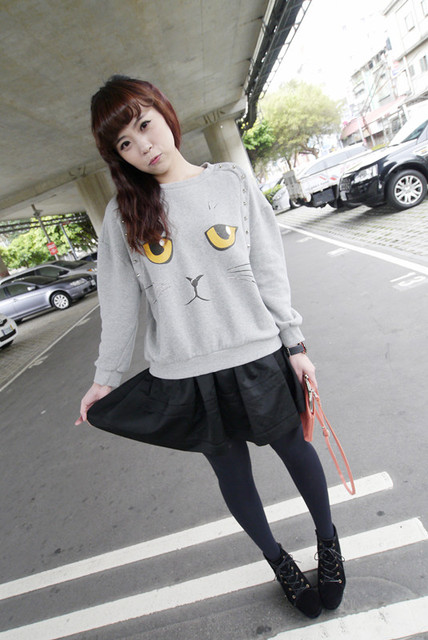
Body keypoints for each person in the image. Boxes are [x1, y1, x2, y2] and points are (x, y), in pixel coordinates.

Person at [76, 75, 346, 620]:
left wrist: (295, 343)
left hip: (256, 355)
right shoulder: (123, 213)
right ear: (116, 156)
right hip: (186, 373)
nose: (143, 145)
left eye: (145, 125)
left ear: (165, 114)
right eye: (125, 143)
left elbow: (268, 269)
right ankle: (278, 561)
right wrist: (106, 378)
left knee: (297, 451)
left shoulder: (230, 182)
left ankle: (329, 543)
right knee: (232, 476)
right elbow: (121, 304)